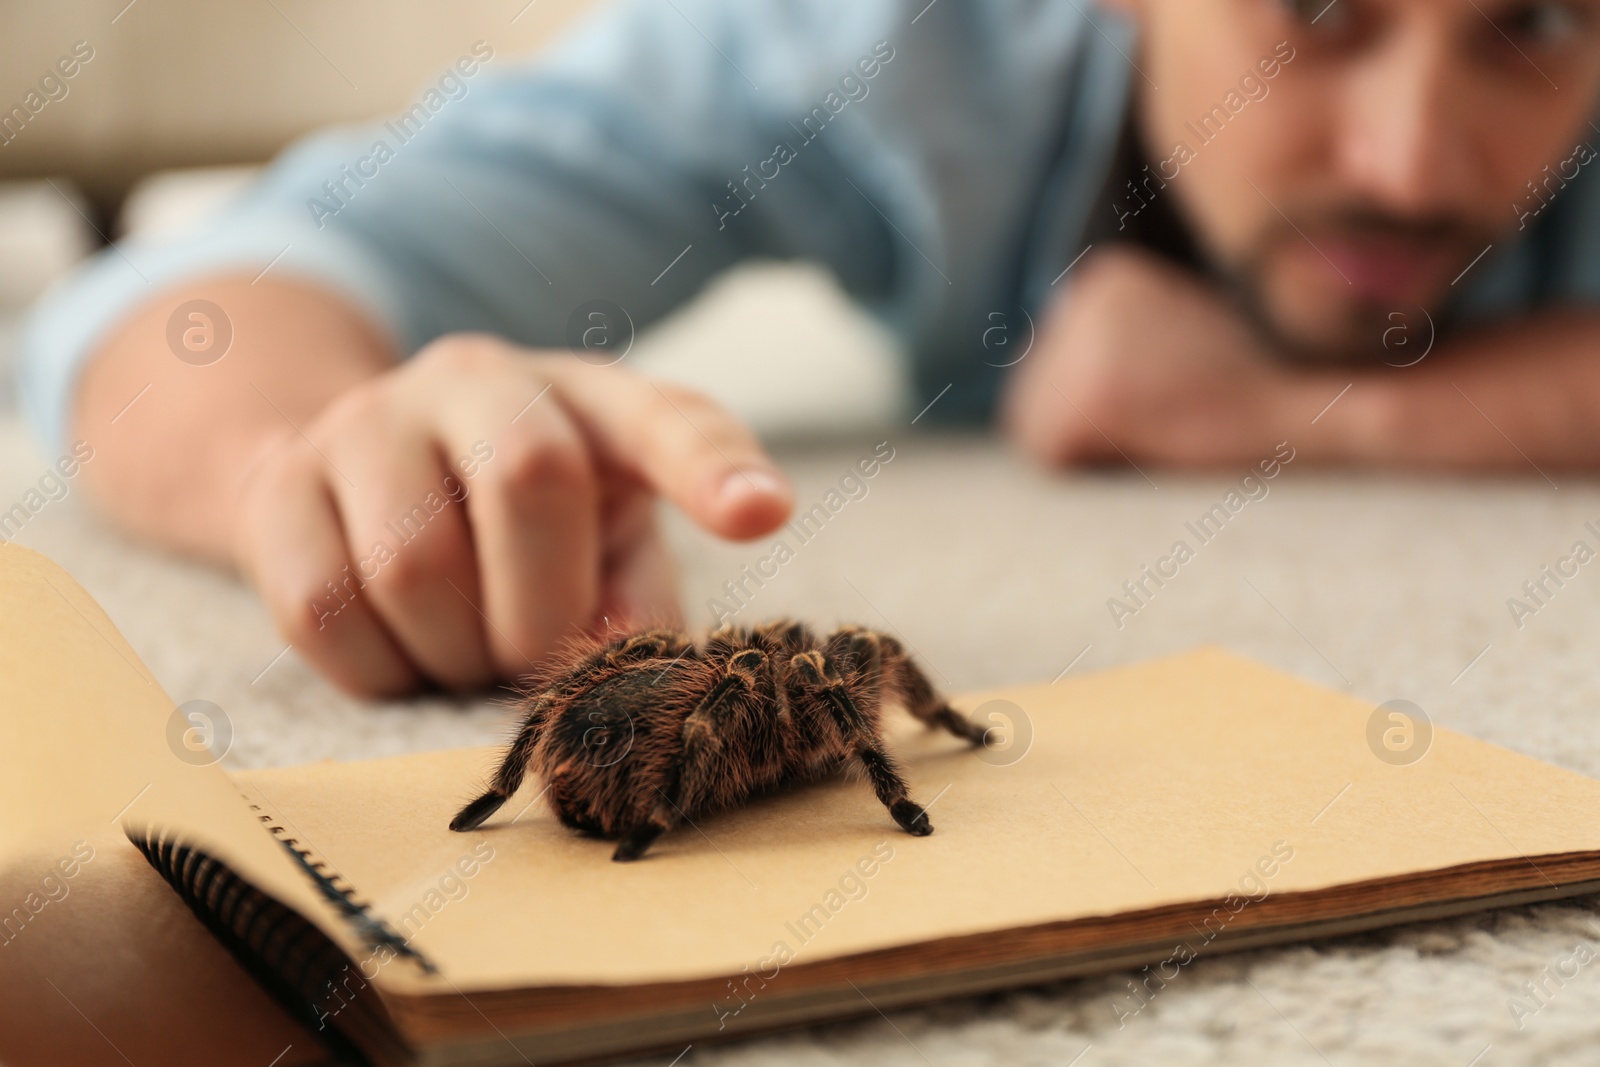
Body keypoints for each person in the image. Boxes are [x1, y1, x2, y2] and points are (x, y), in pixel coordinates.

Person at [20, 0, 1600, 697]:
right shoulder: (853, 48)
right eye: (1319, 5)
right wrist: (305, 463)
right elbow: (214, 290)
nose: (1411, 160)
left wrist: (1281, 409)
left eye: (1532, 22)